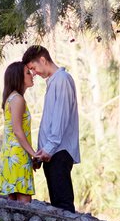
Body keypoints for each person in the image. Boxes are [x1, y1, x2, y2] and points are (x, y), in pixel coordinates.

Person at [22, 44, 79, 212]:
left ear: (43, 60)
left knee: (63, 207)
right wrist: (41, 154)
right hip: (52, 153)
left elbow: (60, 119)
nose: (34, 73)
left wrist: (47, 149)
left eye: (33, 68)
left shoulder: (61, 79)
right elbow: (51, 121)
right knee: (58, 205)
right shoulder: (54, 82)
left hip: (58, 152)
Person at [0, 61, 38, 203]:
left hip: (10, 156)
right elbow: (18, 131)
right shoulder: (18, 99)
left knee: (13, 208)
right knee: (24, 207)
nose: (32, 75)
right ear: (18, 77)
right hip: (18, 158)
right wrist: (34, 154)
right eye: (28, 73)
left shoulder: (11, 98)